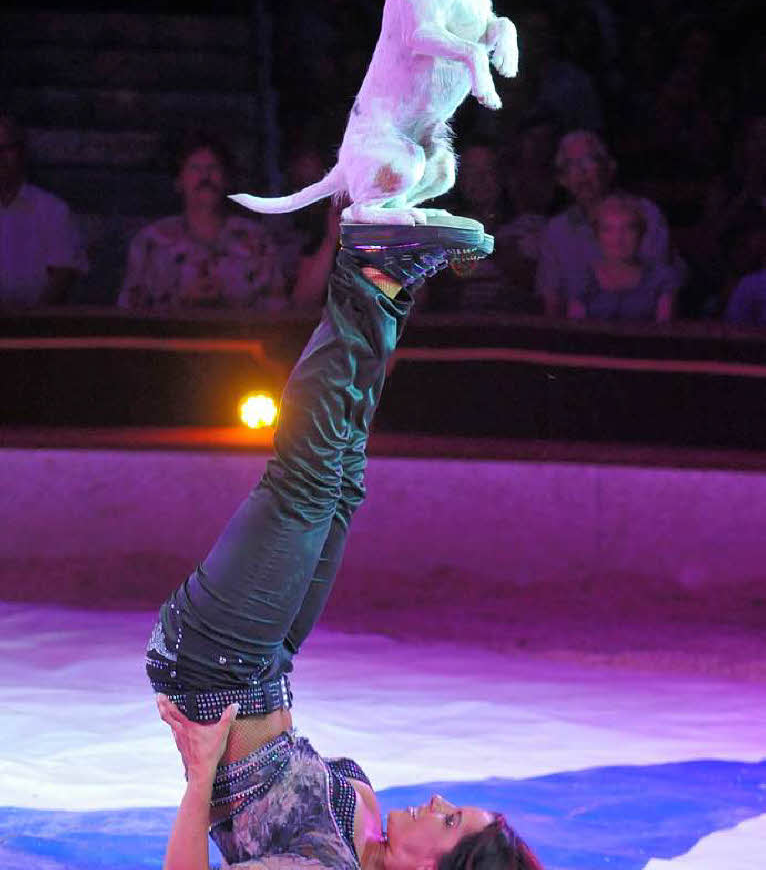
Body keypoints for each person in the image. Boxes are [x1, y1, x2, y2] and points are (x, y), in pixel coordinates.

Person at [147, 225, 543, 870]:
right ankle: (392, 291)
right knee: (343, 478)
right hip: (268, 668)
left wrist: (199, 780)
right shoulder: (367, 821)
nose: (439, 797)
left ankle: (367, 270)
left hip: (210, 665)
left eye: (450, 820)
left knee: (303, 482)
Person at [118, 131, 286, 311]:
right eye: (195, 168)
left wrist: (228, 302)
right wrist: (180, 302)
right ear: (179, 181)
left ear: (227, 180)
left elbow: (277, 307)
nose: (205, 177)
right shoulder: (150, 241)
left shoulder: (256, 240)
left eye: (213, 168)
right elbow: (129, 310)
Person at [536, 130, 675, 317]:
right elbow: (551, 305)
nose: (581, 172)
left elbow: (662, 290)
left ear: (609, 167)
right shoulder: (556, 231)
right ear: (562, 179)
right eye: (571, 165)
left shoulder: (646, 214)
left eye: (589, 161)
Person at [0, 113, 87, 307]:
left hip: (34, 329)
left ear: (21, 152)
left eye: (6, 149)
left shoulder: (52, 210)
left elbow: (63, 275)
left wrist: (29, 323)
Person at [566, 194, 679, 322]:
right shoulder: (582, 279)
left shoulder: (662, 278)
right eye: (608, 230)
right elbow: (577, 331)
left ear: (641, 233)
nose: (618, 239)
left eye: (628, 229)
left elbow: (664, 333)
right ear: (597, 235)